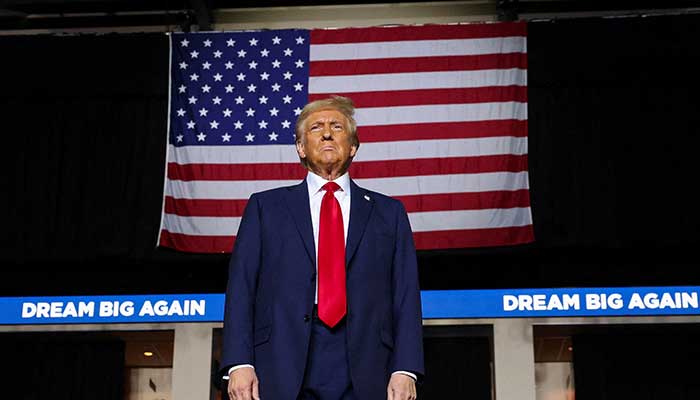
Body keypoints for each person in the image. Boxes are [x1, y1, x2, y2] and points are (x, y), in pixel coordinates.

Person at [221, 96, 424, 400]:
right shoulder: (266, 207)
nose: (327, 133)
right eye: (316, 127)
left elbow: (406, 294)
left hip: (368, 362)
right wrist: (239, 362)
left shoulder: (389, 213)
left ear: (353, 146)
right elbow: (241, 287)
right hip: (282, 358)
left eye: (337, 126)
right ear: (301, 148)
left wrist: (405, 368)